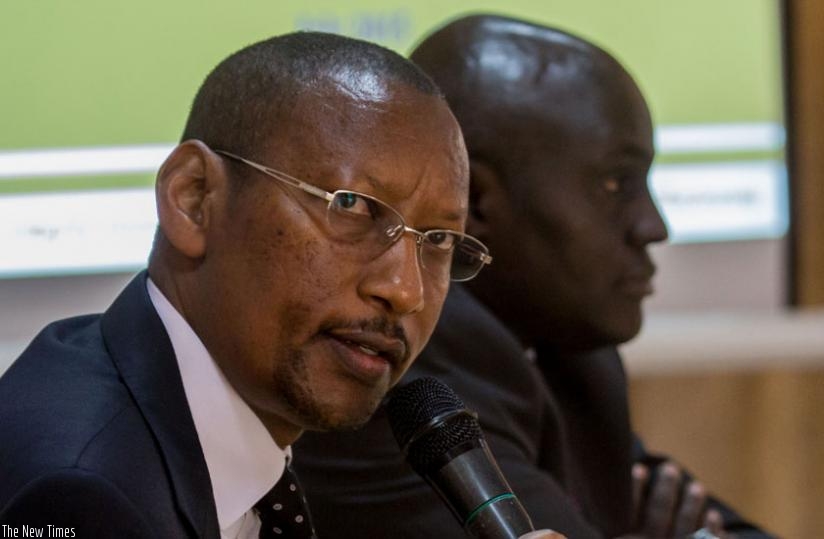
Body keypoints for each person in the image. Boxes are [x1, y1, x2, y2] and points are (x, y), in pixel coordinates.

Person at [293, 15, 776, 539]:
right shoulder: (395, 372)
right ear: (470, 198)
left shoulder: (570, 353)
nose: (653, 226)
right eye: (617, 184)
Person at [0, 31, 492, 538]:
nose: (405, 290)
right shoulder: (81, 496)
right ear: (193, 198)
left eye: (438, 240)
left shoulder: (228, 429)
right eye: (352, 206)